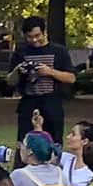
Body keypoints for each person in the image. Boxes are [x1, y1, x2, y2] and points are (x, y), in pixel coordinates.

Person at [10, 14, 74, 144]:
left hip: (51, 103)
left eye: (37, 36)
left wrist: (49, 72)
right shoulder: (21, 52)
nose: (34, 40)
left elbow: (71, 78)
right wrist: (18, 71)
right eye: (29, 37)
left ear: (44, 32)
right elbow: (10, 81)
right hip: (28, 104)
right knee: (24, 144)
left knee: (53, 144)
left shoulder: (59, 51)